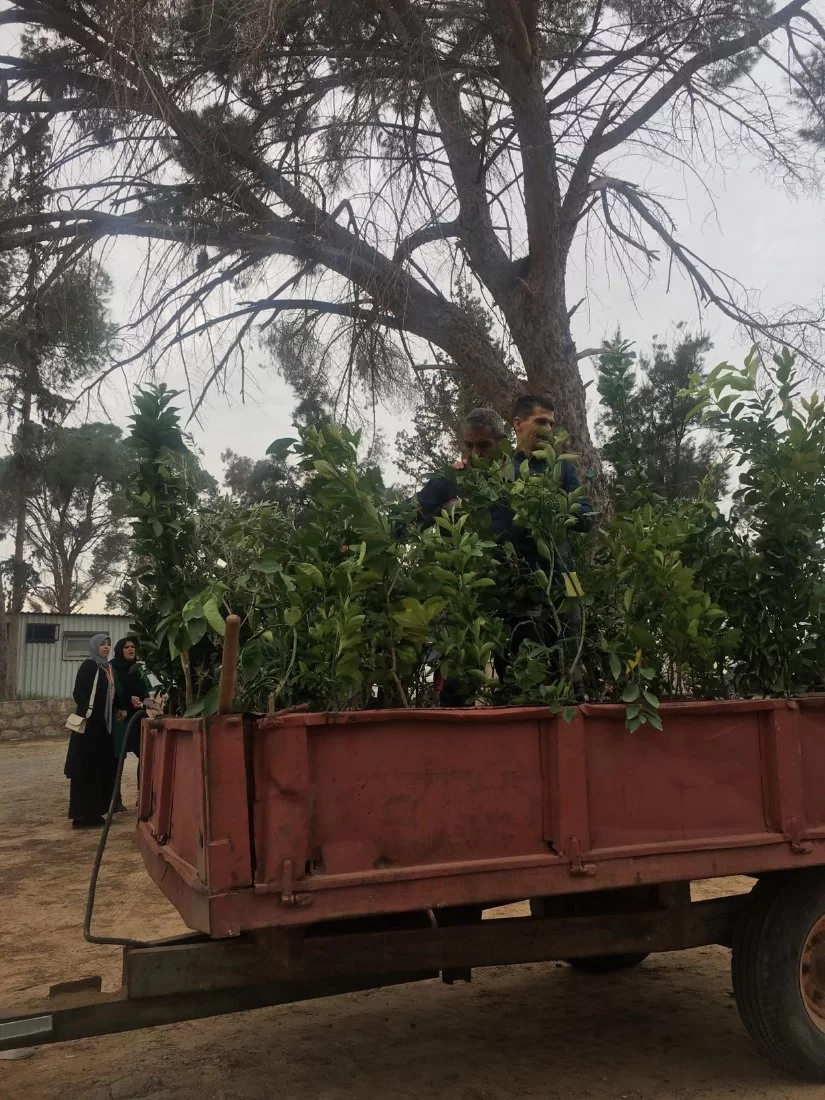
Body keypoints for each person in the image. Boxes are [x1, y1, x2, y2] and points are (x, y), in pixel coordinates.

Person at [64, 634, 117, 829]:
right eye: (102, 644)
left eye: (108, 644)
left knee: (98, 769)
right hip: (88, 726)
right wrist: (89, 711)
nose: (106, 647)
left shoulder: (106, 668)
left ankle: (94, 812)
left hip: (102, 727)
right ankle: (80, 816)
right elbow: (79, 692)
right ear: (95, 647)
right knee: (85, 769)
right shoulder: (90, 666)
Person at [111, 636, 153, 813]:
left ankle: (142, 796)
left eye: (133, 647)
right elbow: (111, 692)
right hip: (120, 720)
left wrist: (148, 702)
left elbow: (146, 692)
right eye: (126, 647)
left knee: (145, 756)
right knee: (117, 760)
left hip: (138, 718)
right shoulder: (112, 668)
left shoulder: (138, 669)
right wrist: (127, 700)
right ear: (120, 650)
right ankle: (115, 800)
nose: (131, 649)